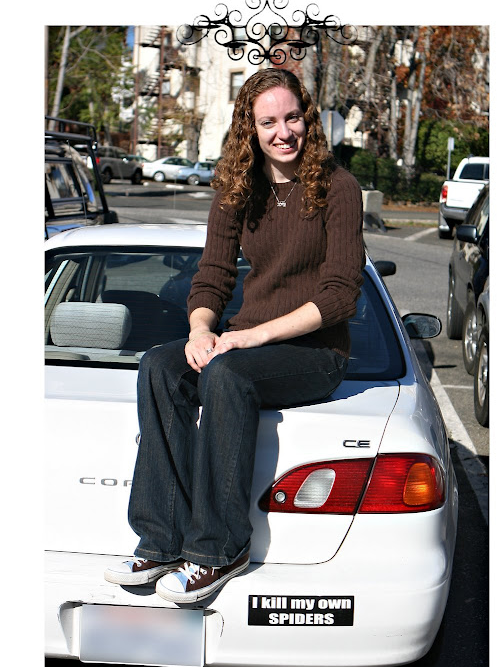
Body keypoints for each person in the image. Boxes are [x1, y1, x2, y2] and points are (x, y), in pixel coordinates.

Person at [105, 68, 365, 604]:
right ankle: (160, 539)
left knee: (225, 373)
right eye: (268, 121)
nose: (283, 132)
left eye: (292, 117)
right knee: (159, 364)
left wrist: (250, 338)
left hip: (315, 353)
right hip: (244, 346)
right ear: (250, 128)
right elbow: (213, 276)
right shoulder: (237, 190)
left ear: (307, 119)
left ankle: (220, 551)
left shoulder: (338, 188)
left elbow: (341, 294)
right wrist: (201, 329)